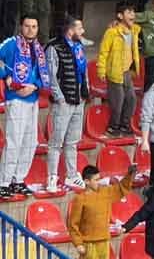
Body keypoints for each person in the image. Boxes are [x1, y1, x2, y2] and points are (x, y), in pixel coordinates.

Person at [67, 164, 136, 259]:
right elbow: (72, 225)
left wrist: (129, 175)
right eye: (96, 180)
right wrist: (78, 243)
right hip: (88, 245)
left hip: (104, 242)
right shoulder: (80, 199)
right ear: (86, 181)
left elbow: (122, 189)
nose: (99, 182)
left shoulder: (105, 193)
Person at [0, 15, 48, 198]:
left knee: (30, 142)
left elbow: (42, 72)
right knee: (14, 142)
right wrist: (5, 76)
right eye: (27, 26)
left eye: (34, 26)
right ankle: (3, 182)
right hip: (15, 99)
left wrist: (34, 86)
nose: (30, 29)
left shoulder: (38, 48)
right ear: (21, 27)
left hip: (32, 99)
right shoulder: (11, 43)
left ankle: (18, 180)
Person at [45, 16, 89, 191]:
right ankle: (52, 178)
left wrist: (86, 93)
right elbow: (51, 75)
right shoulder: (54, 47)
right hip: (63, 102)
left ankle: (71, 176)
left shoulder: (79, 46)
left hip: (79, 101)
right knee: (56, 142)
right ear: (70, 29)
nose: (83, 31)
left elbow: (83, 71)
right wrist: (60, 98)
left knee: (72, 142)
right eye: (80, 28)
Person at [97, 2, 140, 138]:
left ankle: (125, 126)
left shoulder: (134, 31)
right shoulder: (111, 32)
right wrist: (101, 71)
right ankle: (113, 128)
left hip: (126, 71)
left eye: (133, 12)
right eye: (129, 12)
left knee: (132, 99)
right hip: (115, 71)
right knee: (118, 100)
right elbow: (103, 52)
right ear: (120, 16)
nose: (132, 14)